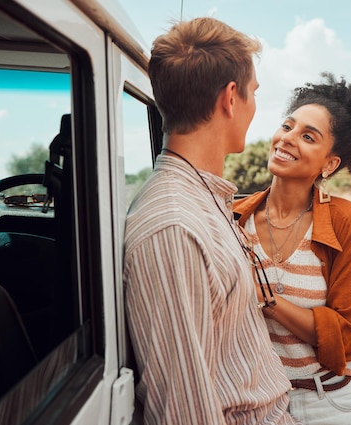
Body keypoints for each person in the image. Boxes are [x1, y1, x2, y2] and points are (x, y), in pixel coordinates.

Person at [123, 17, 297, 424]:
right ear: (230, 98)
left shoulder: (203, 198)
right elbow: (182, 410)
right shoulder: (174, 227)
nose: (256, 107)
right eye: (253, 92)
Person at [233, 73, 351, 425]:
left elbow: (350, 337)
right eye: (287, 127)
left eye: (308, 136)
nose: (287, 139)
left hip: (331, 405)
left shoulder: (345, 220)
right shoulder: (233, 219)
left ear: (329, 163)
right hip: (258, 407)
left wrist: (270, 303)